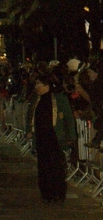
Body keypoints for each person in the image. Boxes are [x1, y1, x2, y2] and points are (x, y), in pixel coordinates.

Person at [26, 73, 76, 203]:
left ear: (46, 85)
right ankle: (47, 192)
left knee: (56, 166)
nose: (37, 87)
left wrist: (71, 135)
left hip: (54, 138)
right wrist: (29, 130)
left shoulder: (59, 99)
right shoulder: (36, 99)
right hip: (41, 138)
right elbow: (29, 115)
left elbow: (69, 118)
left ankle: (58, 193)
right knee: (43, 165)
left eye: (39, 84)